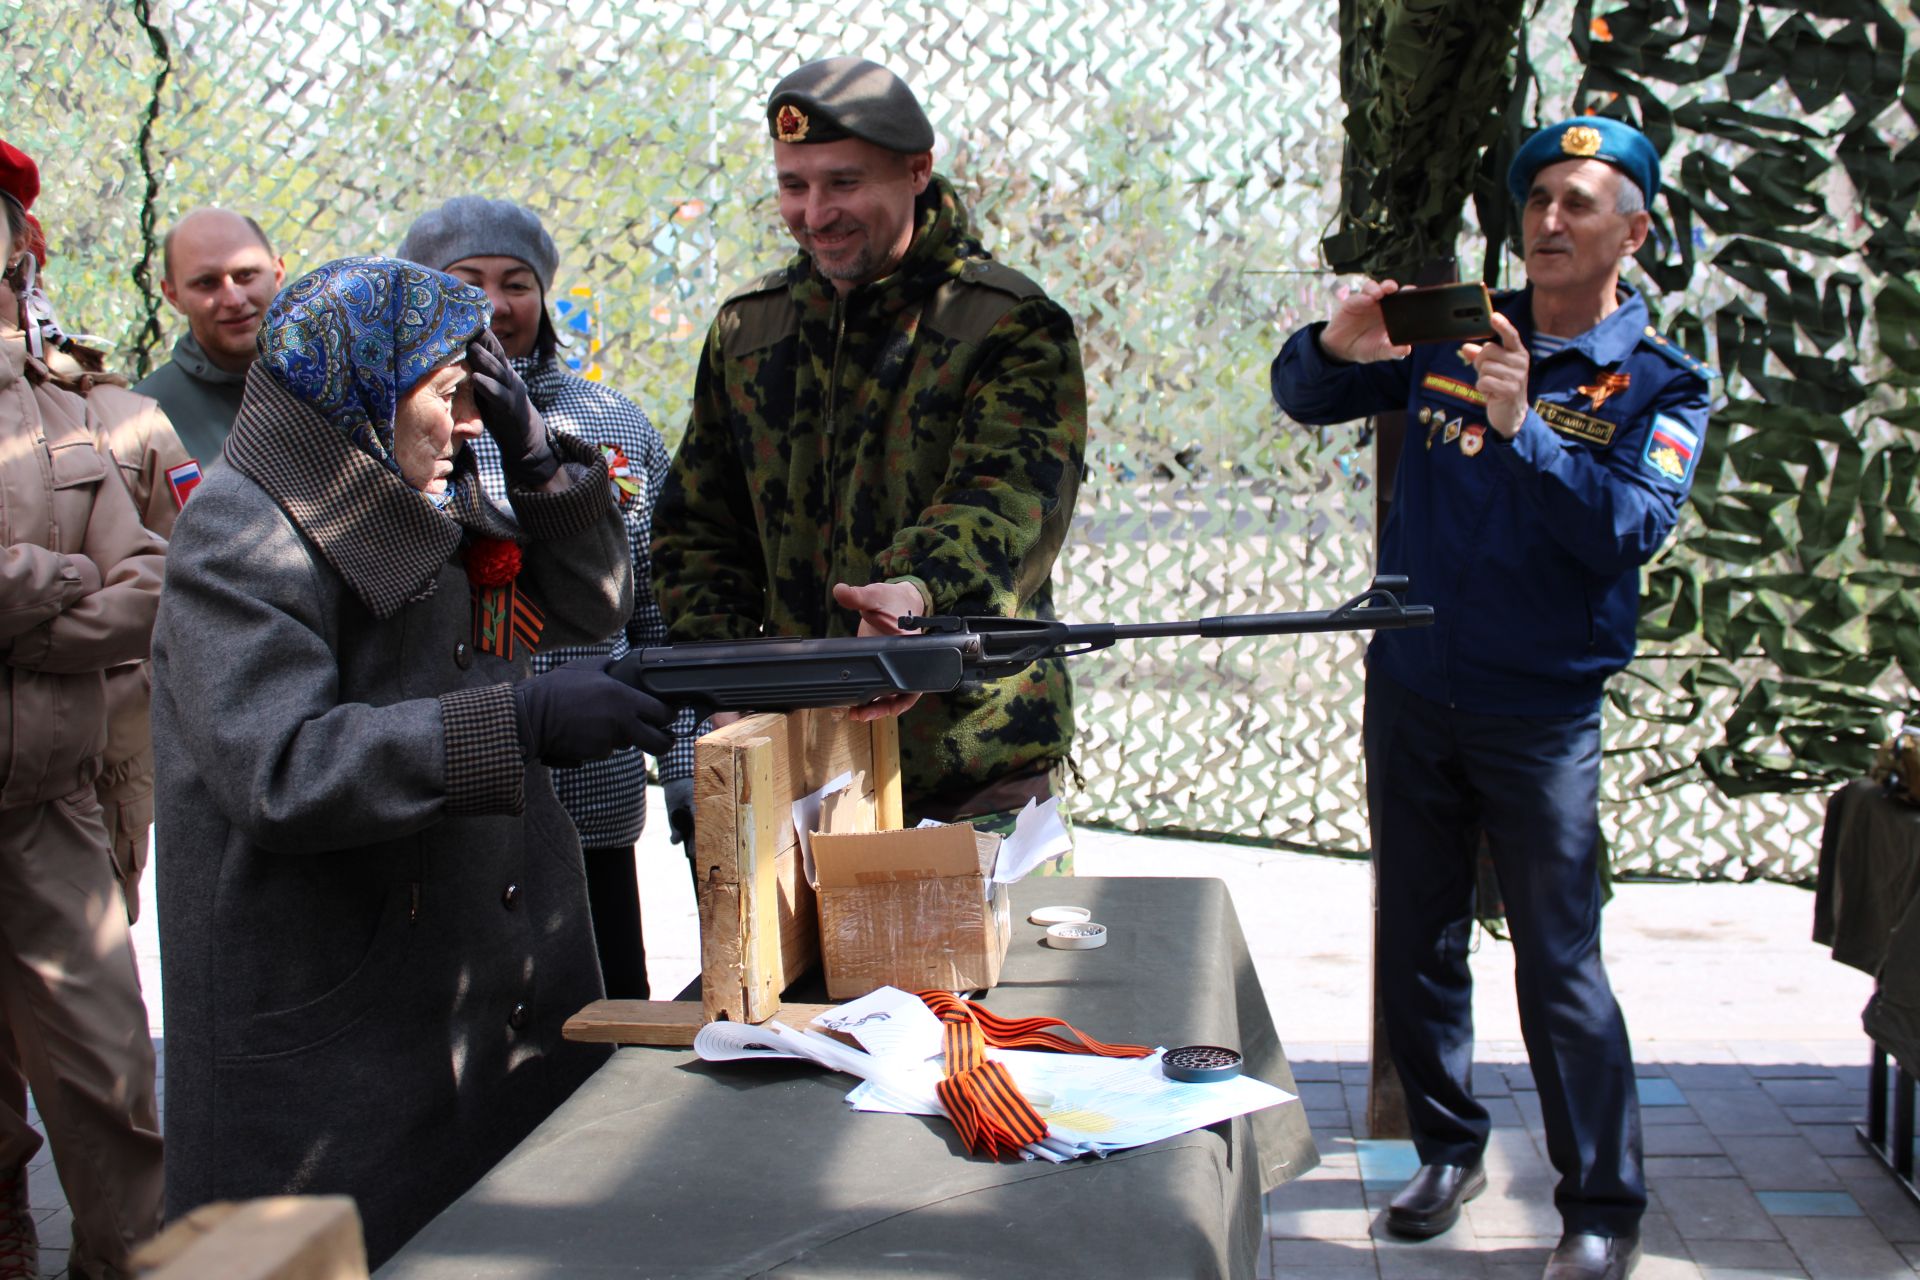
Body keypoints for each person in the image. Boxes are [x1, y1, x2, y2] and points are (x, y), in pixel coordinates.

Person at [151, 256, 674, 1266]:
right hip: (341, 1011)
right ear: (361, 389)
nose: (468, 419)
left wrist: (541, 463)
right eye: (447, 394)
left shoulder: (398, 489)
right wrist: (514, 722)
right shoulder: (243, 530)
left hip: (468, 990)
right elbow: (281, 764)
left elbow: (586, 603)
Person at [1272, 117, 1713, 1280]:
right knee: (1414, 936)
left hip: (1540, 712)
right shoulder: (1459, 328)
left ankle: (1601, 1205)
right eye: (1537, 202)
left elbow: (1628, 530)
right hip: (1414, 688)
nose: (1550, 221)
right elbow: (1305, 396)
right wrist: (1337, 339)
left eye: (1579, 201)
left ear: (1635, 226)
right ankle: (1445, 1148)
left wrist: (1524, 429)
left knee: (1559, 959)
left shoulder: (1662, 384)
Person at [653, 56, 1086, 839]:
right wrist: (724, 680)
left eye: (843, 183)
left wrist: (917, 596)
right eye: (793, 185)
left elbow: (1011, 503)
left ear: (918, 171)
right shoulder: (748, 332)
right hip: (789, 768)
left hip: (964, 774)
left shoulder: (1008, 324)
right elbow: (698, 529)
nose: (814, 214)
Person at [399, 196, 694, 998]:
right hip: (456, 787)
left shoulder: (608, 422)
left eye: (516, 282)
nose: (495, 304)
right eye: (467, 281)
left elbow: (658, 611)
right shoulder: (399, 424)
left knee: (606, 1017)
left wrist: (690, 772)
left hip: (590, 783)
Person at [0, 138, 168, 1280]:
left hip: (42, 810)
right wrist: (56, 582)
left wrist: (26, 609)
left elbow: (150, 585)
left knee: (112, 1078)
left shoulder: (61, 417)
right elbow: (94, 581)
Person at [0, 157, 192, 928]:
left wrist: (30, 637)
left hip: (89, 758)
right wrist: (72, 576)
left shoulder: (108, 412)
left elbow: (168, 582)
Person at [132, 207, 285, 463]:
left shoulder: (342, 379)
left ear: (277, 273)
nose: (234, 300)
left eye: (245, 275)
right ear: (172, 295)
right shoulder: (143, 420)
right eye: (206, 283)